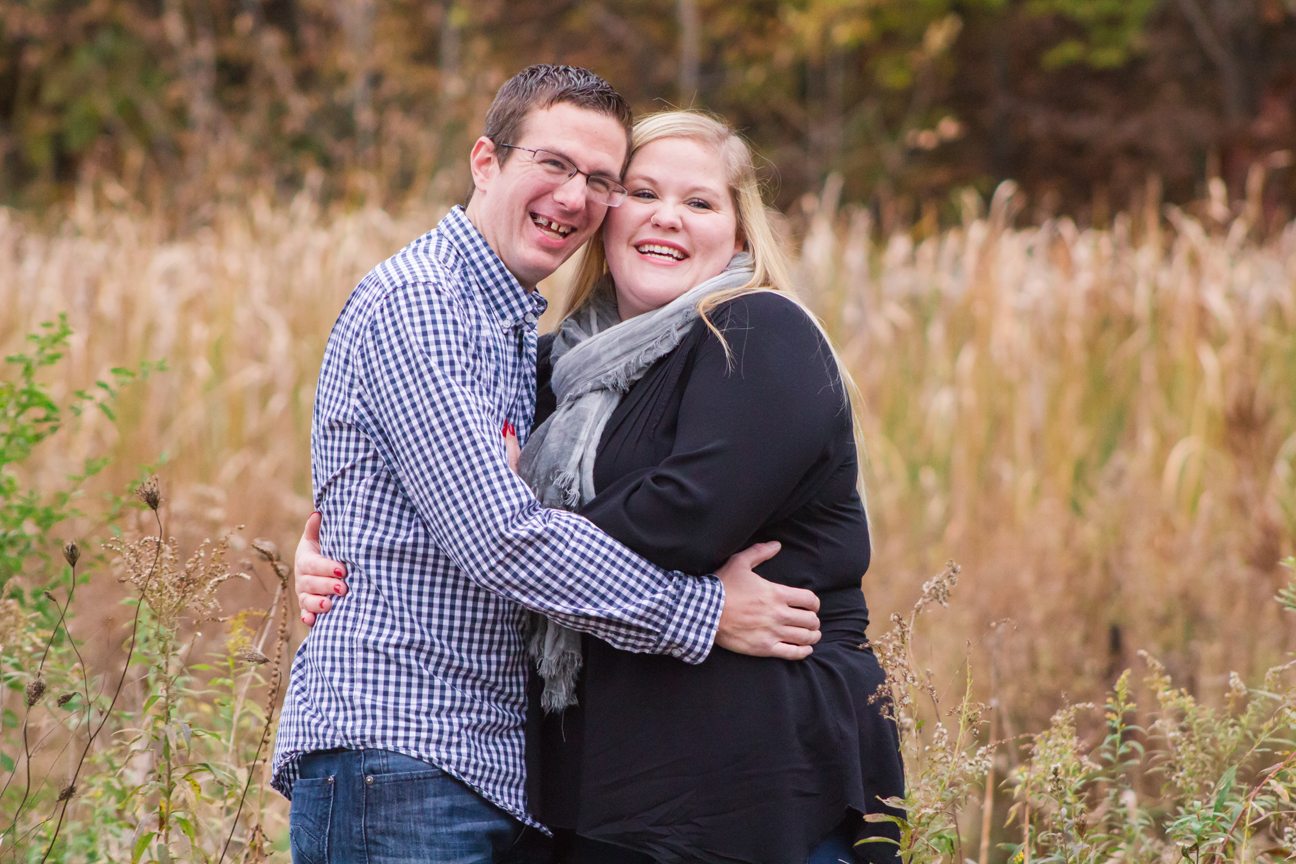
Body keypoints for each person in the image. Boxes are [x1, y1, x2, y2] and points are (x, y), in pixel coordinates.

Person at [299, 109, 905, 864]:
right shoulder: (554, 369)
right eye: (642, 193)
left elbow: (686, 517)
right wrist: (359, 547)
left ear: (740, 236)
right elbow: (426, 478)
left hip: (754, 783)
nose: (667, 217)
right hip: (597, 789)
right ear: (606, 218)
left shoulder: (758, 332)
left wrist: (506, 521)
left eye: (699, 202)